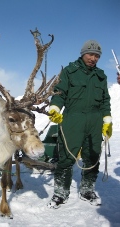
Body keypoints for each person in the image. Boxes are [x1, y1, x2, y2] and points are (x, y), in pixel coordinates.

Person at [47, 40, 112, 209]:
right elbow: (59, 93)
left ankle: (87, 189)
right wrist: (54, 108)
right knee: (67, 157)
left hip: (95, 120)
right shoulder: (70, 71)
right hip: (73, 119)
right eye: (91, 54)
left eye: (97, 56)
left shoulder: (101, 76)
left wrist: (107, 120)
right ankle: (60, 192)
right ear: (83, 54)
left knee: (92, 156)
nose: (94, 58)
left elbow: (105, 100)